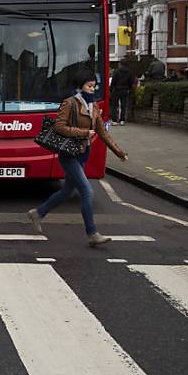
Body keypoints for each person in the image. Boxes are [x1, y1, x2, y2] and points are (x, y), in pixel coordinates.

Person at [27, 69, 128, 247]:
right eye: (89, 86)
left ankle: (38, 213)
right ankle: (92, 233)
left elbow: (102, 132)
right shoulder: (70, 103)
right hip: (68, 154)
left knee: (67, 191)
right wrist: (82, 133)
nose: (92, 89)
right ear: (80, 87)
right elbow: (59, 126)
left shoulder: (94, 106)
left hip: (83, 153)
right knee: (87, 192)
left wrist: (118, 152)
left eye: (94, 86)